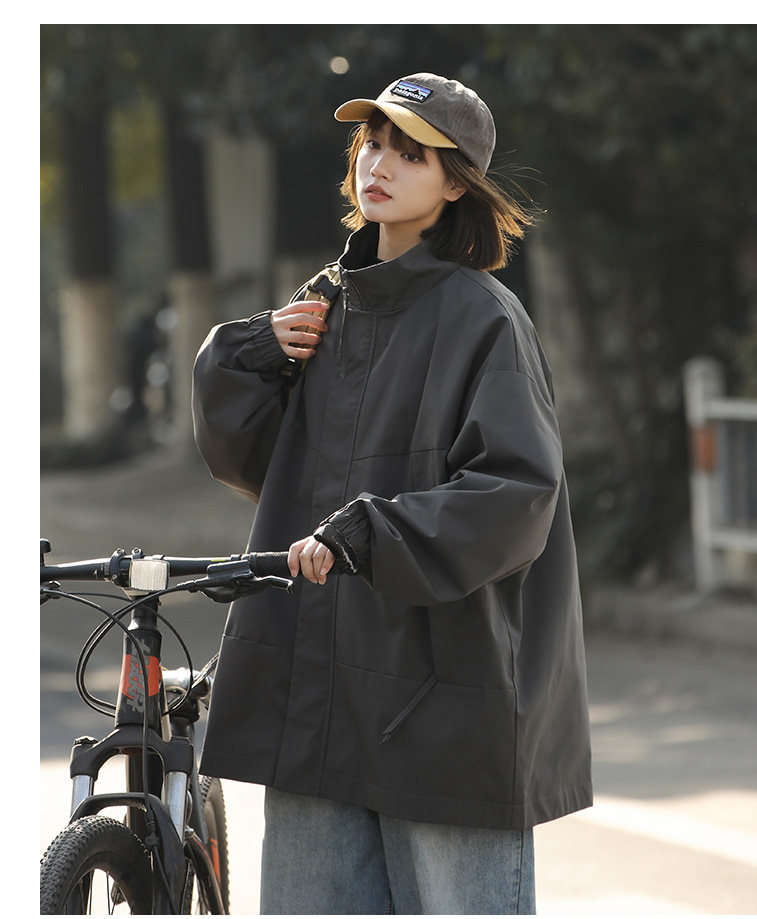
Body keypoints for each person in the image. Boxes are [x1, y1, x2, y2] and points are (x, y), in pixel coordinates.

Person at [192, 72, 592, 915]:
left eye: (410, 155)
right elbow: (260, 464)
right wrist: (248, 355)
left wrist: (372, 533)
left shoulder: (485, 318)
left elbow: (518, 493)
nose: (378, 165)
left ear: (455, 186)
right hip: (318, 694)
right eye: (372, 144)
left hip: (441, 701)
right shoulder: (322, 307)